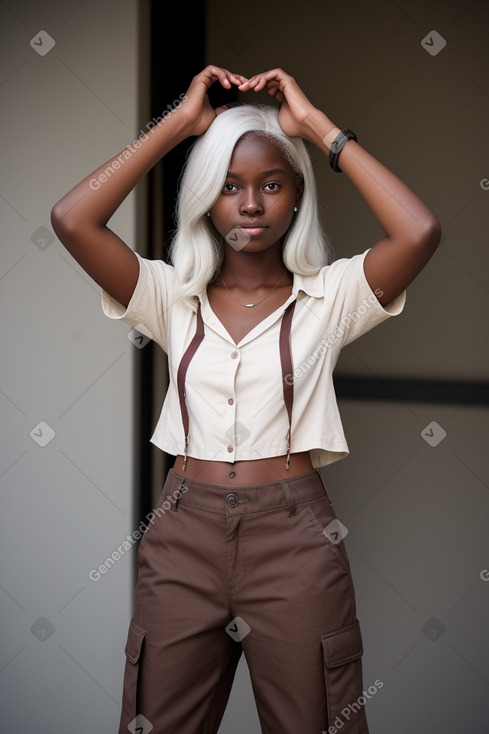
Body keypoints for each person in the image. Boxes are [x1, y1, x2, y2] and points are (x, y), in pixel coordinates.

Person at [51, 65, 441, 734]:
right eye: (228, 187)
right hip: (182, 532)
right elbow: (72, 217)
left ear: (295, 197)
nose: (250, 204)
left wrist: (314, 126)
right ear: (206, 199)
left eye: (270, 184)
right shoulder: (169, 297)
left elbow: (418, 231)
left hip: (295, 538)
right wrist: (179, 124)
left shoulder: (332, 297)